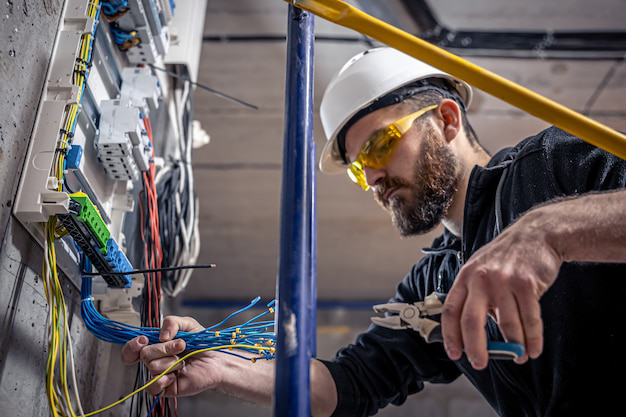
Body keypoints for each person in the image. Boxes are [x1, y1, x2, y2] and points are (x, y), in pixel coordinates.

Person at [122, 47, 626, 416]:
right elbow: (346, 386)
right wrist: (221, 366)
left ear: (447, 119)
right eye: (361, 169)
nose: (374, 179)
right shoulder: (433, 285)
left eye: (381, 146)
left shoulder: (551, 168)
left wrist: (546, 230)